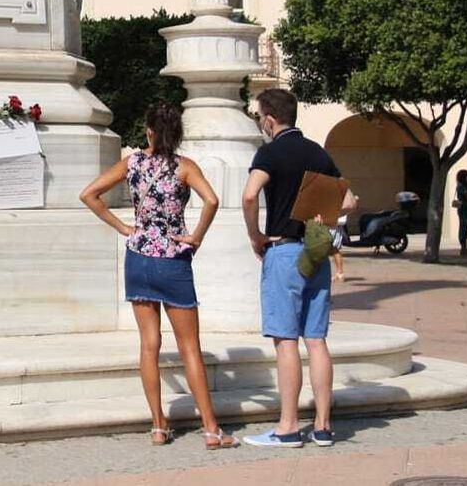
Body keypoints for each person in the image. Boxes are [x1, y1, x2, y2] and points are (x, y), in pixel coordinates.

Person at [79, 104, 238, 450]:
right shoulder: (184, 167)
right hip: (172, 260)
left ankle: (158, 425)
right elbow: (211, 200)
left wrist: (124, 226)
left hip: (138, 257)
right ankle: (211, 430)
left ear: (149, 130)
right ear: (176, 132)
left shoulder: (132, 163)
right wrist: (195, 236)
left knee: (149, 345)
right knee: (189, 348)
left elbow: (88, 194)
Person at [241, 88, 343, 449]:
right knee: (316, 339)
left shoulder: (270, 152)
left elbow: (251, 194)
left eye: (259, 118)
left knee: (286, 341)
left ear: (269, 119)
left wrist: (255, 235)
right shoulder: (318, 152)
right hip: (316, 250)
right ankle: (323, 426)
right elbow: (350, 198)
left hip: (283, 250)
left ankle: (287, 427)